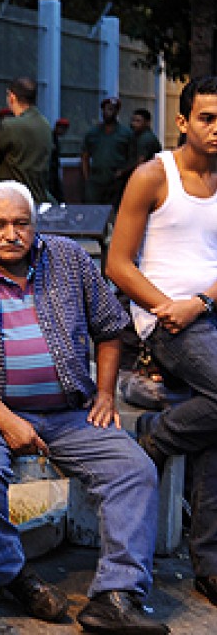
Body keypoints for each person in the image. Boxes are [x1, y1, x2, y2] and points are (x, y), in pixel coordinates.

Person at [0, 181, 167, 634]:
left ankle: (117, 596)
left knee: (133, 467)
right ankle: (13, 575)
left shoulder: (68, 258)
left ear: (35, 224)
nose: (11, 233)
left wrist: (103, 394)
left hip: (68, 409)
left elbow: (111, 326)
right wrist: (7, 422)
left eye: (21, 223)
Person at [107, 76, 217, 614]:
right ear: (182, 121)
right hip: (167, 322)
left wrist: (202, 300)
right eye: (207, 118)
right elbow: (119, 264)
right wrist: (167, 307)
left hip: (204, 310)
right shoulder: (154, 175)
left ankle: (158, 432)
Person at [0, 77, 53, 202]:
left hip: (13, 199)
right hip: (38, 196)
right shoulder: (45, 125)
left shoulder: (10, 126)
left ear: (12, 96)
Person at [81, 97, 135, 206]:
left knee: (113, 212)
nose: (109, 112)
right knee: (93, 211)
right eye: (107, 109)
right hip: (96, 180)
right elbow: (85, 156)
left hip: (115, 181)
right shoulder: (93, 133)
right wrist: (87, 178)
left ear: (117, 112)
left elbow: (133, 158)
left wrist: (123, 171)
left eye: (112, 109)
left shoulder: (126, 133)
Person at [48, 118, 69, 203]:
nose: (62, 131)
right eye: (61, 128)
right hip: (50, 173)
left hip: (54, 171)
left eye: (64, 129)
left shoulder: (56, 139)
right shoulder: (51, 138)